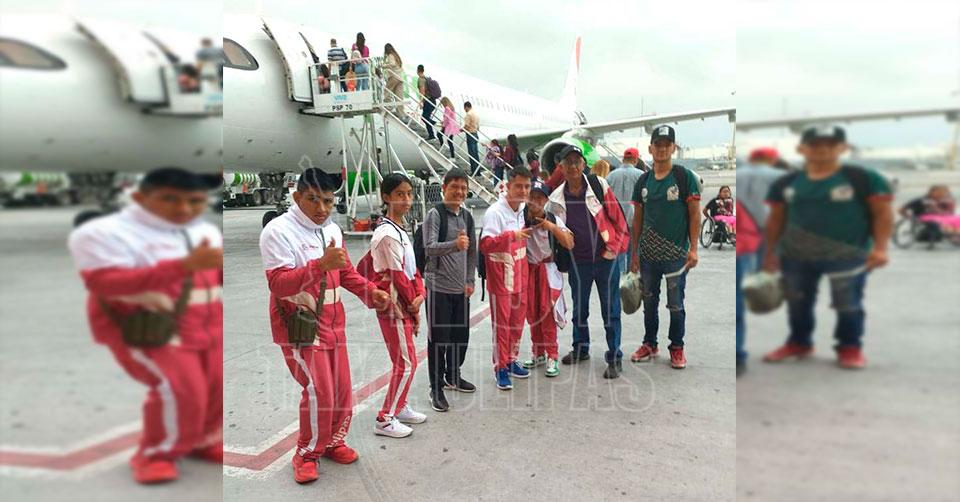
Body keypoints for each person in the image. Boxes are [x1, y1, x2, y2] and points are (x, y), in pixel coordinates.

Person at [67, 168, 224, 484]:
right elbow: (105, 283)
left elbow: (213, 277)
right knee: (180, 391)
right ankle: (155, 454)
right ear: (140, 197)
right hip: (152, 327)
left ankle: (203, 441)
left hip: (207, 324)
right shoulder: (103, 233)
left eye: (194, 201)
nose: (184, 209)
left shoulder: (203, 231)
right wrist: (183, 266)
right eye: (170, 199)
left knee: (214, 388)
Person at [259, 168, 391, 484]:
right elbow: (278, 284)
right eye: (313, 200)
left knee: (342, 392)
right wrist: (319, 265)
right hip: (301, 326)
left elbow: (344, 272)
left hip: (334, 324)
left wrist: (369, 291)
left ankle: (332, 442)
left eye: (328, 201)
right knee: (320, 393)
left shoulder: (331, 229)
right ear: (297, 197)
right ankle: (306, 454)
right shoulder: (278, 231)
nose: (321, 208)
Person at [761, 125, 893, 369]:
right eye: (815, 145)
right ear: (802, 149)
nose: (822, 150)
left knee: (848, 304)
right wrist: (769, 253)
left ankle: (850, 347)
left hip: (848, 254)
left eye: (830, 144)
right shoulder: (786, 183)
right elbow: (776, 219)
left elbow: (882, 213)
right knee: (798, 303)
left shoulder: (863, 179)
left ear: (843, 147)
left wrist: (881, 248)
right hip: (795, 255)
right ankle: (799, 342)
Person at [548, 145, 630, 378]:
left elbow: (619, 220)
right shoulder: (556, 198)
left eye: (577, 161)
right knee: (579, 308)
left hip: (605, 260)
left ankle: (614, 357)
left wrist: (614, 250)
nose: (573, 166)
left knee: (610, 310)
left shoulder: (598, 186)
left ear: (583, 164)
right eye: (568, 162)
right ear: (561, 167)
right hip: (578, 262)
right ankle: (580, 348)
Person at [628, 125, 701, 370]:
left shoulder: (684, 177)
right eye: (657, 145)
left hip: (676, 256)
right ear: (650, 148)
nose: (661, 149)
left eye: (666, 144)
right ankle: (650, 343)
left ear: (674, 147)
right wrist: (634, 253)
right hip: (648, 256)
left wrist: (693, 249)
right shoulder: (643, 181)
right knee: (649, 303)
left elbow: (695, 214)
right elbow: (638, 219)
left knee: (675, 304)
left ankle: (677, 347)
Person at [369, 174, 427, 438]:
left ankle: (400, 405)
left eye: (409, 194)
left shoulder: (399, 230)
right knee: (405, 363)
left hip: (406, 302)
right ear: (386, 197)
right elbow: (397, 274)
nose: (406, 200)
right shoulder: (386, 234)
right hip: (394, 305)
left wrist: (420, 294)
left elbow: (412, 270)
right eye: (400, 194)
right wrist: (414, 304)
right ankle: (384, 418)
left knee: (407, 360)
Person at [423, 169, 477, 411]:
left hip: (460, 289)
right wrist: (455, 245)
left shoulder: (467, 217)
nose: (459, 192)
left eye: (463, 188)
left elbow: (472, 251)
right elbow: (429, 247)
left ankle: (453, 375)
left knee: (460, 337)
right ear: (444, 188)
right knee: (438, 340)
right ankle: (436, 388)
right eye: (455, 187)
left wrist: (470, 280)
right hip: (438, 288)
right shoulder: (435, 215)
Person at [480, 167, 535, 390]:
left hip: (520, 277)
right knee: (501, 326)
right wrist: (511, 236)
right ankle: (500, 367)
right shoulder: (495, 212)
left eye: (527, 186)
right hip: (501, 280)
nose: (523, 190)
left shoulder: (523, 210)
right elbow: (485, 244)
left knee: (517, 323)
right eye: (519, 186)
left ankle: (511, 360)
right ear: (508, 186)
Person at [520, 180, 574, 377]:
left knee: (547, 313)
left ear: (545, 200)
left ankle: (552, 355)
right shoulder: (520, 218)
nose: (535, 201)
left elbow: (569, 242)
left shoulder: (553, 219)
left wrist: (550, 226)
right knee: (532, 312)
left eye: (539, 198)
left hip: (548, 271)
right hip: (528, 270)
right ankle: (538, 352)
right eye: (532, 197)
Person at [734, 157, 783, 375]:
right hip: (750, 241)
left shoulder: (742, 177)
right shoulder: (776, 176)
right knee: (741, 300)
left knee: (739, 301)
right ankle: (738, 356)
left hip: (744, 242)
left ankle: (738, 355)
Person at [605, 148, 644, 274]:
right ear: (635, 160)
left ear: (623, 159)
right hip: (634, 220)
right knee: (634, 252)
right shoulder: (641, 175)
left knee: (619, 252)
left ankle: (619, 279)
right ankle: (631, 278)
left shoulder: (611, 176)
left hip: (615, 221)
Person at [382, 44, 405, 119]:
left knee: (387, 91)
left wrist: (384, 65)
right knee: (399, 97)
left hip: (394, 77)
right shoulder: (396, 55)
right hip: (400, 78)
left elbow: (392, 64)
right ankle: (401, 113)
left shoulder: (390, 55)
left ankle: (388, 106)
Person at [417, 65, 438, 141]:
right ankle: (432, 124)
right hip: (432, 101)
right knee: (425, 118)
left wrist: (421, 102)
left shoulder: (421, 79)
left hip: (428, 102)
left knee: (425, 118)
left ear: (417, 70)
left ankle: (432, 135)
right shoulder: (426, 78)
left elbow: (422, 92)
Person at [463, 101, 480, 174]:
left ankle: (474, 171)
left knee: (472, 155)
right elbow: (478, 127)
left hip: (470, 135)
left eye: (464, 108)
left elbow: (466, 126)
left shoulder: (468, 114)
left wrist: (461, 130)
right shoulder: (476, 114)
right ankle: (478, 172)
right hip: (475, 134)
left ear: (466, 107)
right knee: (476, 154)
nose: (465, 110)